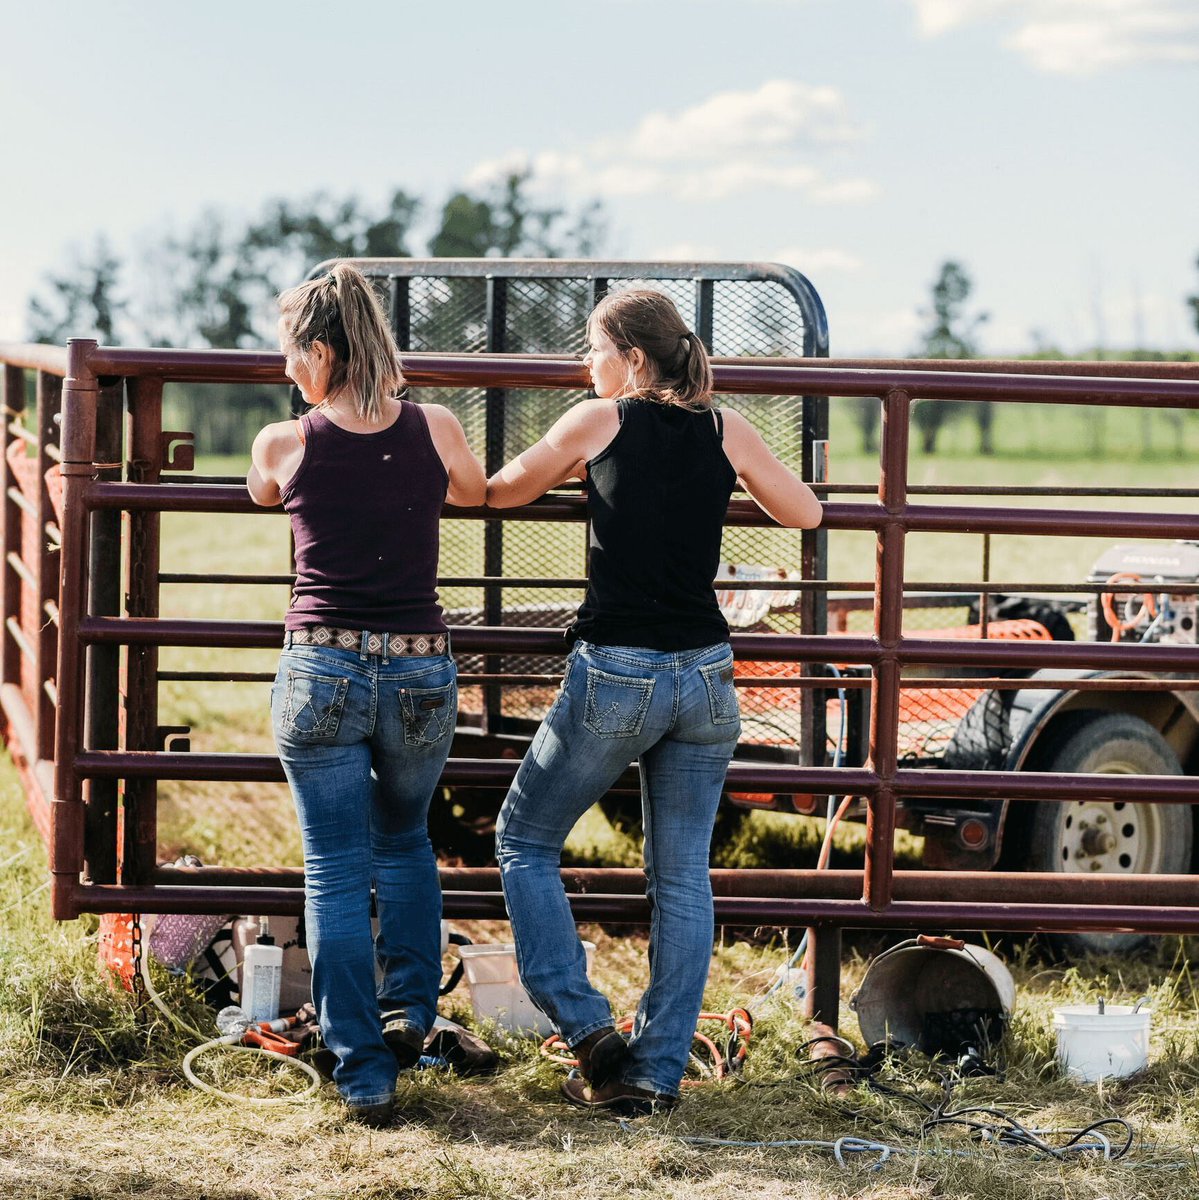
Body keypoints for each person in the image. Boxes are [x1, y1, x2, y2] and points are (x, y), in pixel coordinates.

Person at [488, 288, 822, 1115]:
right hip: (705, 674)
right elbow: (804, 511)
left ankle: (589, 1031)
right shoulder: (726, 428)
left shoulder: (596, 421)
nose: (584, 363)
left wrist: (577, 468)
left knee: (523, 839)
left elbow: (499, 493)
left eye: (593, 349)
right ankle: (653, 1074)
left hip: (618, 672)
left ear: (632, 358)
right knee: (680, 880)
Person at [247, 264, 485, 1125]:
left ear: (320, 350)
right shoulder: (437, 426)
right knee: (407, 841)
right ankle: (410, 1014)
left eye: (290, 353)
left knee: (335, 867)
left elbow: (262, 493)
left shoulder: (283, 441)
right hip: (419, 668)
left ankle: (362, 1070)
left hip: (322, 666)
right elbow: (473, 490)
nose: (286, 370)